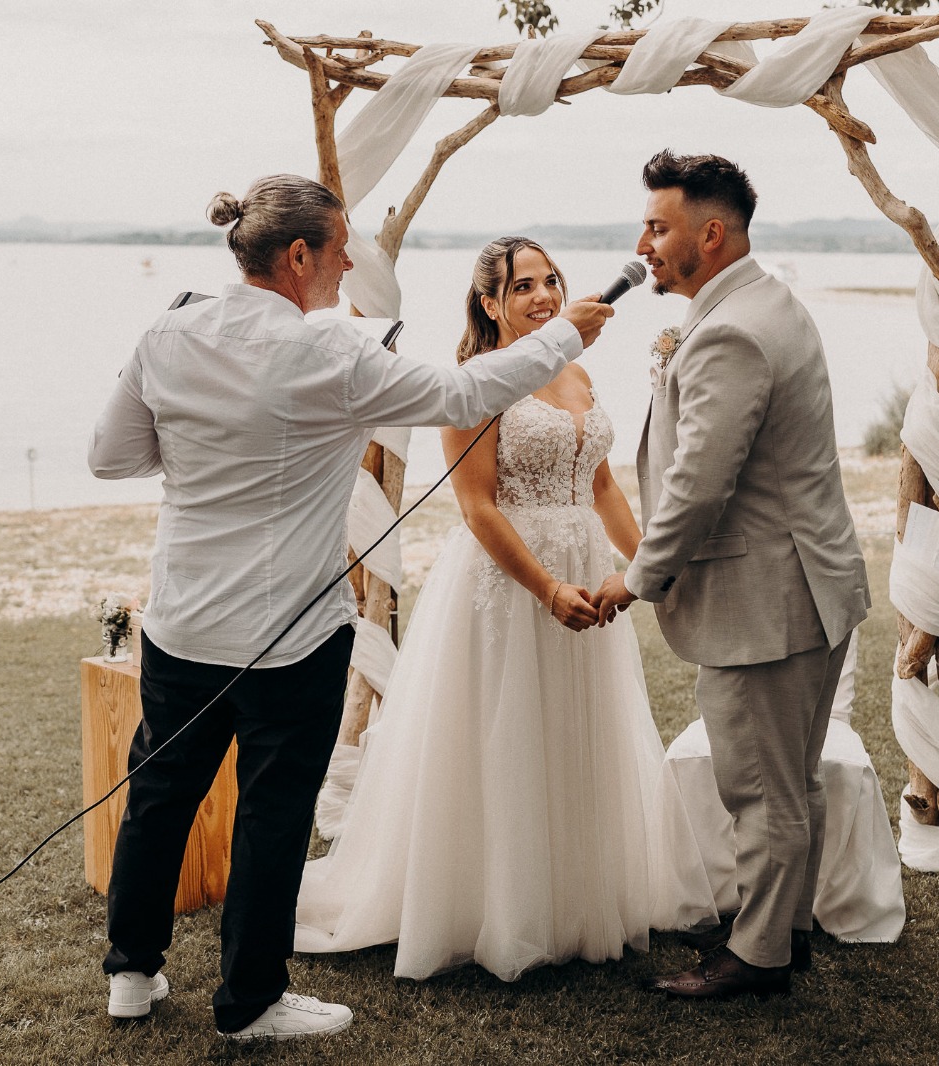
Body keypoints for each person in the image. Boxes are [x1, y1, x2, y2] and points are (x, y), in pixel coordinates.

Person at [87, 177, 612, 1041]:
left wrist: (203, 449)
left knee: (159, 797)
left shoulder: (167, 330)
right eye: (341, 251)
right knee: (273, 814)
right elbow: (463, 395)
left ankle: (131, 978)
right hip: (291, 639)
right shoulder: (331, 351)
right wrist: (564, 336)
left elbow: (111, 457)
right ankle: (249, 1002)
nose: (348, 266)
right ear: (299, 256)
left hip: (182, 624)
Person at [292, 236, 718, 981]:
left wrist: (650, 567)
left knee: (578, 728)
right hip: (508, 585)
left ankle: (575, 897)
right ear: (489, 303)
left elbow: (601, 486)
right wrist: (546, 588)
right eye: (523, 286)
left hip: (586, 572)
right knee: (506, 735)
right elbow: (478, 508)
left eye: (550, 280)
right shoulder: (475, 384)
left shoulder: (576, 372)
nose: (544, 295)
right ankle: (497, 903)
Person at [592, 150, 871, 999]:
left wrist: (636, 577)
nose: (643, 243)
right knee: (791, 781)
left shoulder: (731, 331)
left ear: (710, 235)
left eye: (658, 226)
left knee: (758, 787)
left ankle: (756, 958)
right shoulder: (766, 301)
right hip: (807, 583)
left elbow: (698, 485)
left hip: (767, 600)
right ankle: (782, 930)